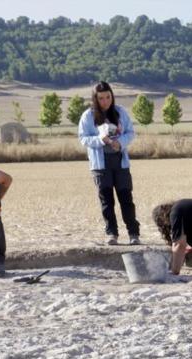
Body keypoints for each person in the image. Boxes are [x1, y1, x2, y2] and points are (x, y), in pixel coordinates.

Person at [78, 81, 140, 246]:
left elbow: (130, 133)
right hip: (100, 165)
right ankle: (112, 234)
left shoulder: (120, 112)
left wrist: (120, 142)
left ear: (112, 96)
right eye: (101, 98)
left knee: (126, 199)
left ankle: (134, 234)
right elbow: (83, 138)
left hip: (120, 163)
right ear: (95, 99)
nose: (105, 101)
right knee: (107, 202)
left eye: (108, 97)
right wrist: (100, 139)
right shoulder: (88, 116)